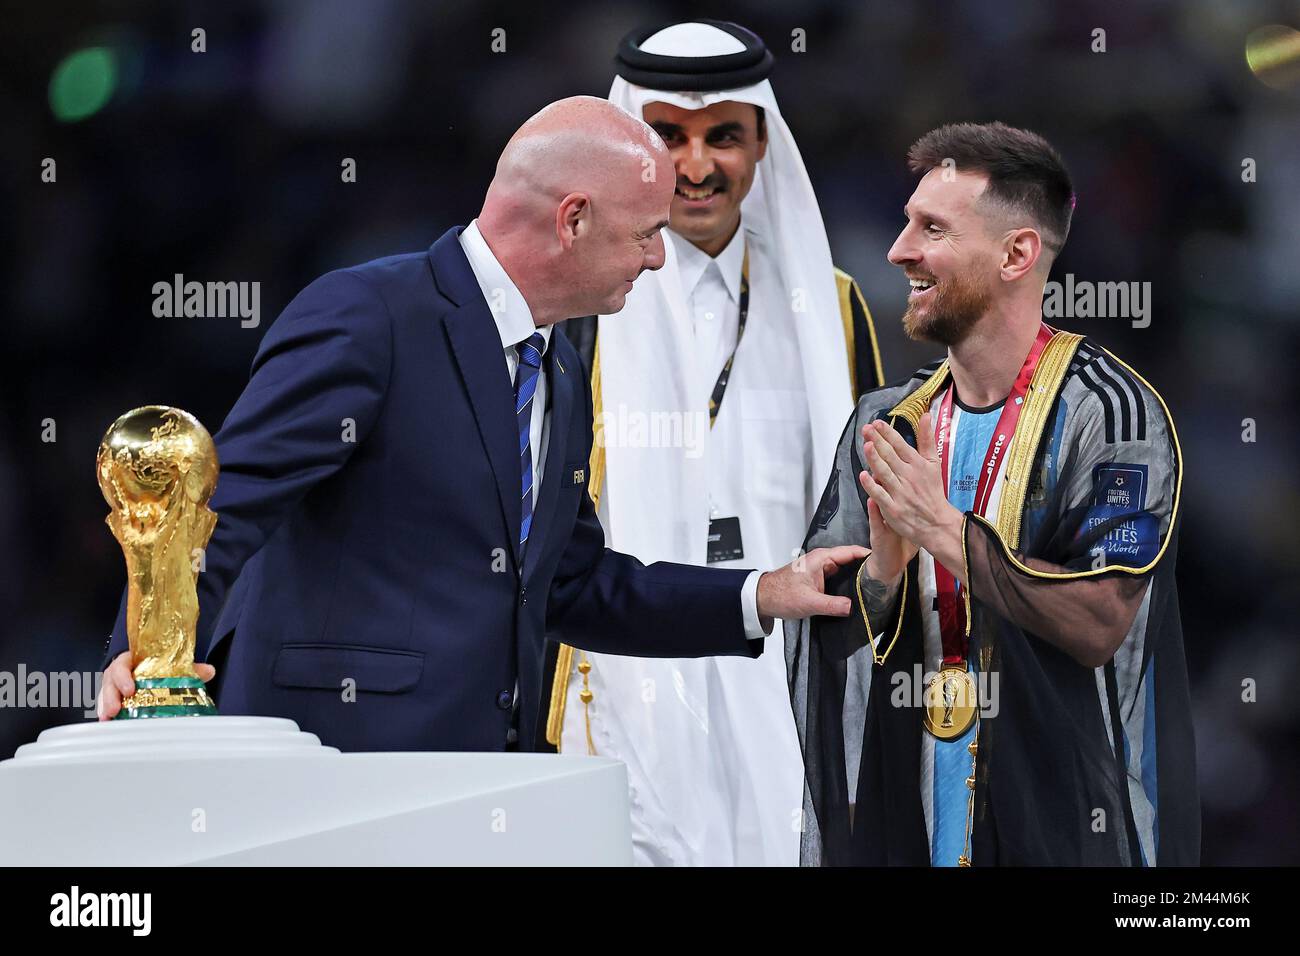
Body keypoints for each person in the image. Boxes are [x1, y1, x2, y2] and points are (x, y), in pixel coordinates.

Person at [96, 97, 866, 753]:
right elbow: (224, 505)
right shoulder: (370, 317)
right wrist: (143, 648)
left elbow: (573, 581)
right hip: (331, 766)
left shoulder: (559, 362)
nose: (660, 259)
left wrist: (764, 593)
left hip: (486, 789)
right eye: (645, 233)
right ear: (573, 221)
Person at [787, 122, 1198, 866]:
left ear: (1017, 254)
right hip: (906, 815)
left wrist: (945, 534)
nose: (899, 249)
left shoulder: (1110, 412)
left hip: (1063, 822)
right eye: (907, 222)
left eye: (931, 229)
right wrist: (881, 571)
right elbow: (824, 630)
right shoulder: (888, 422)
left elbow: (1099, 619)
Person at [545, 20, 885, 868]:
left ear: (762, 142)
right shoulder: (574, 310)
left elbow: (866, 509)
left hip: (778, 672)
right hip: (617, 672)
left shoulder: (830, 308)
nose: (697, 167)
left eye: (723, 136)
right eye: (668, 136)